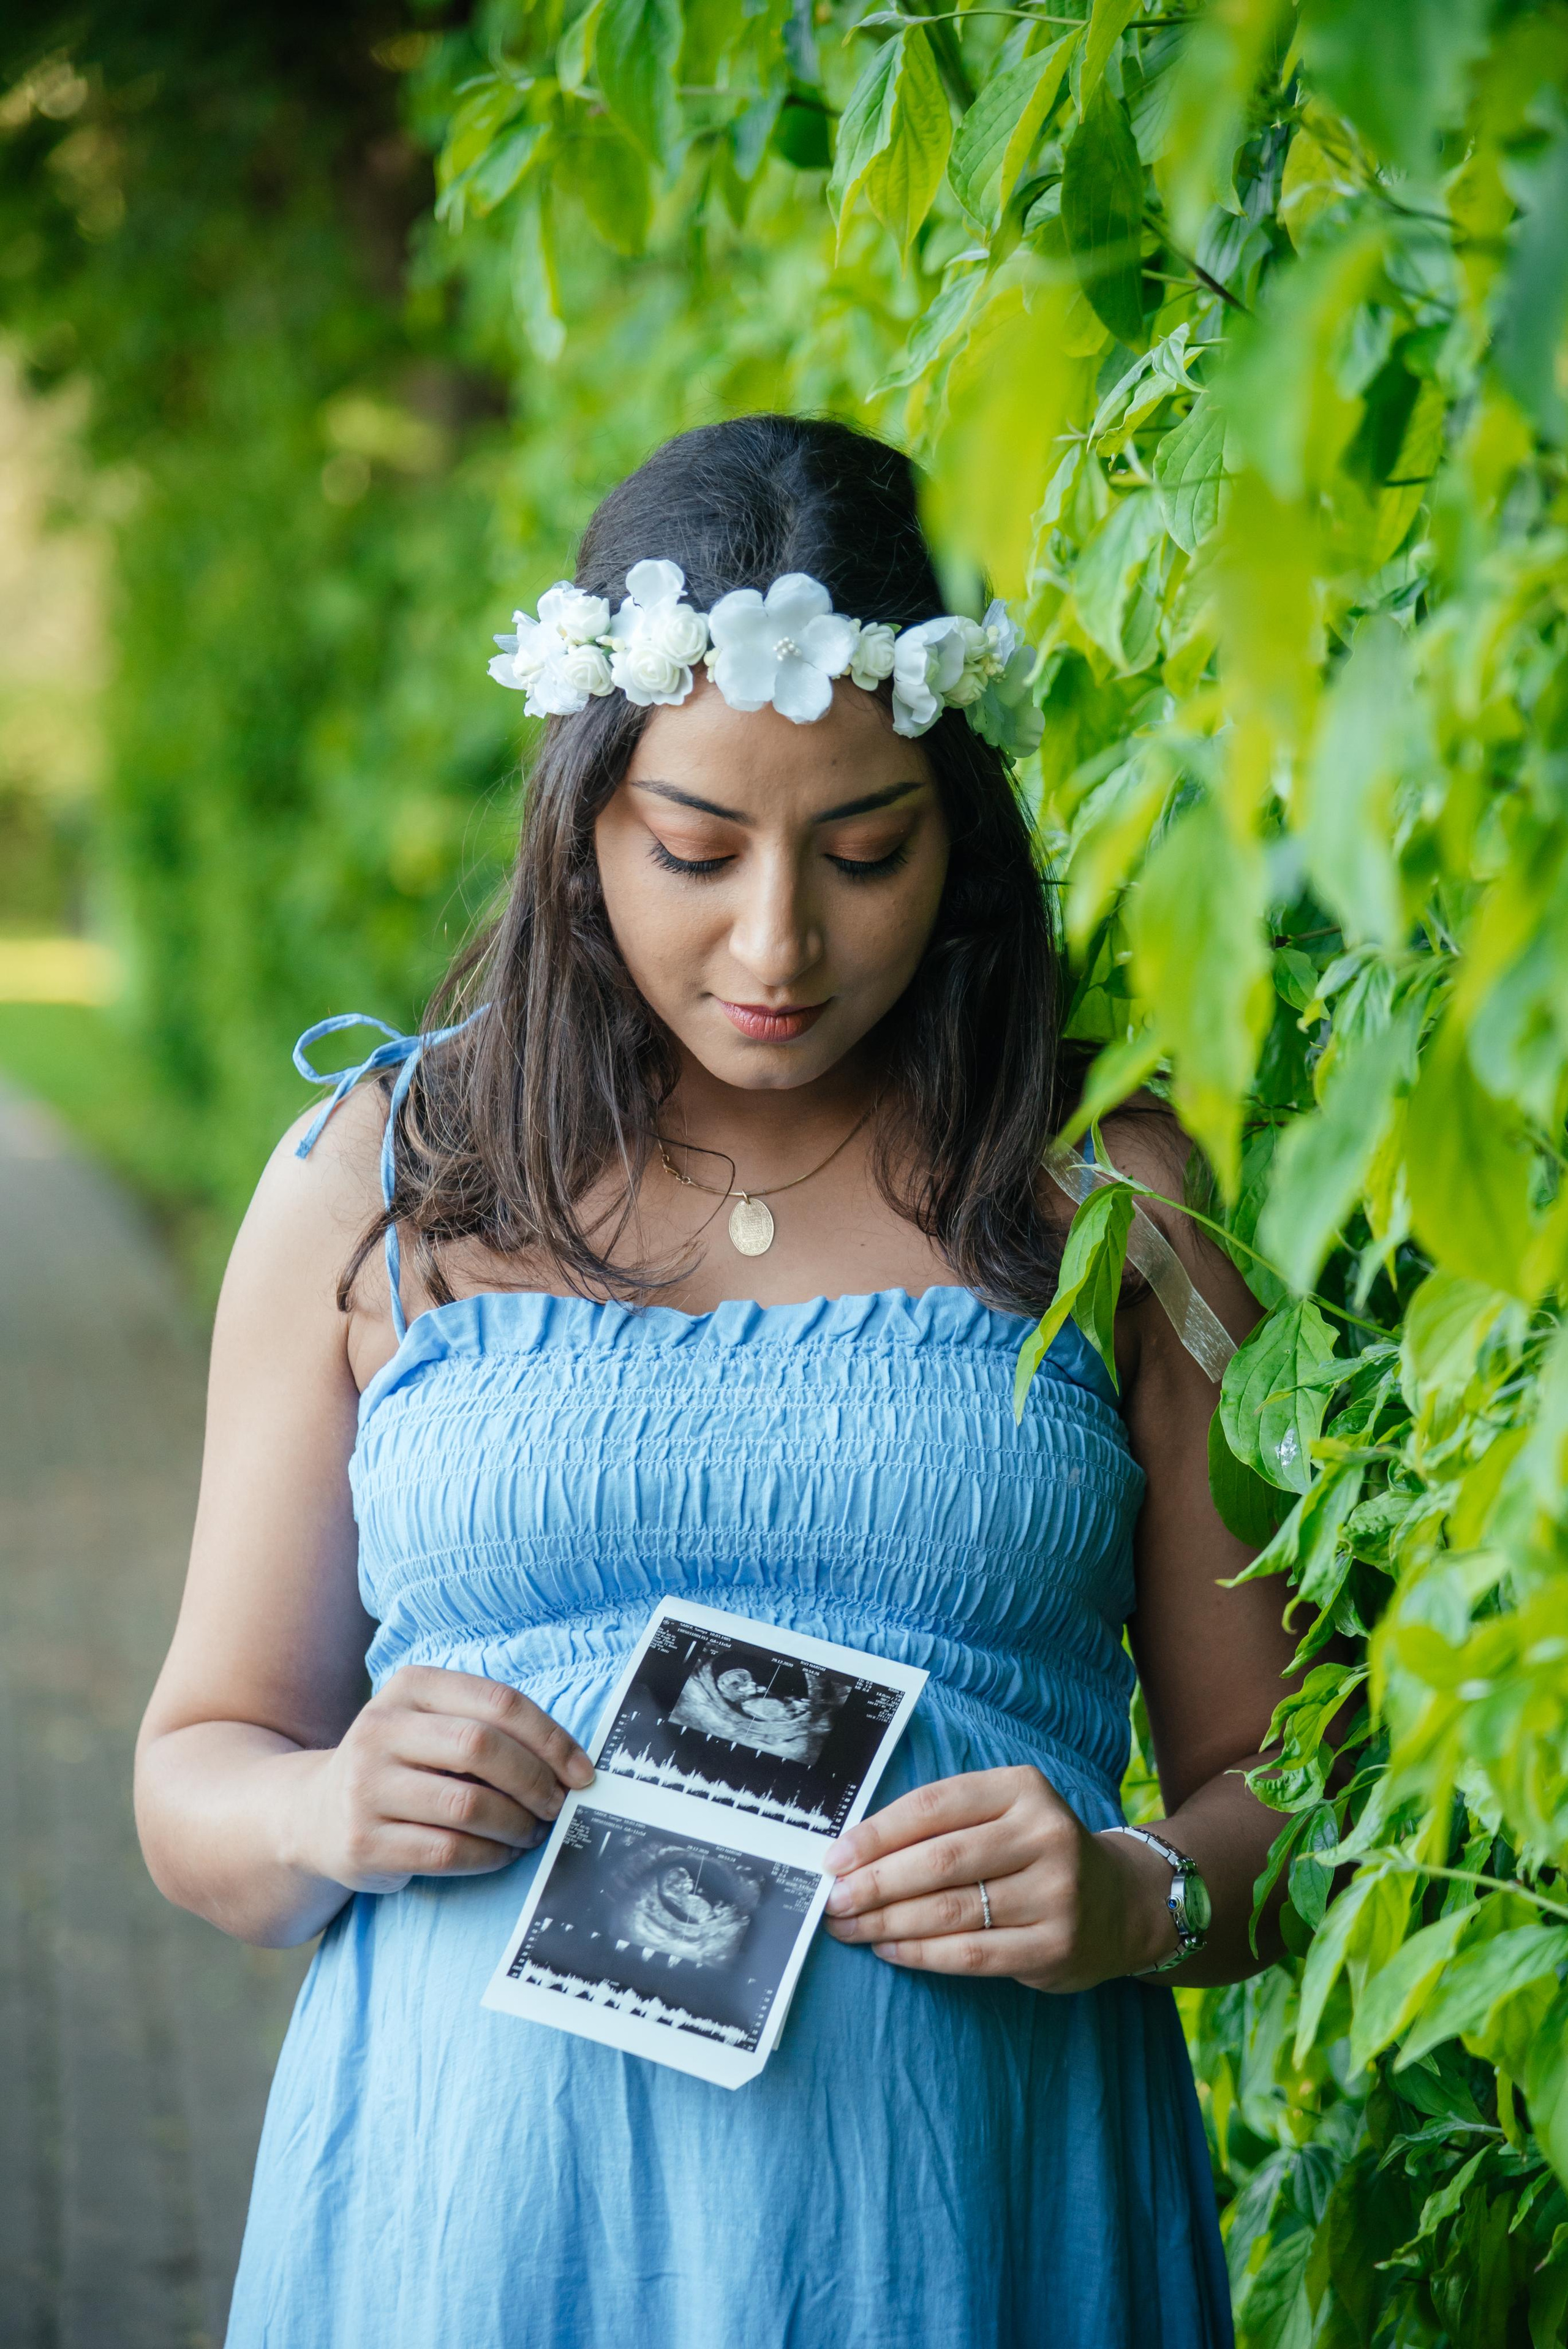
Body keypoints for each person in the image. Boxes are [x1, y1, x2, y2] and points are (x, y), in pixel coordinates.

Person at [135, 414, 1297, 2349]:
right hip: (476, 2234)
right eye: (693, 848)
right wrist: (330, 1803)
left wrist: (1137, 1892)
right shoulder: (382, 1183)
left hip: (967, 2224)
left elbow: (1294, 1801)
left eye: (865, 850)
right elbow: (196, 1776)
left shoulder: (1107, 1196)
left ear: (961, 825)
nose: (777, 941)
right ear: (586, 815)